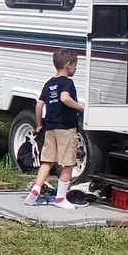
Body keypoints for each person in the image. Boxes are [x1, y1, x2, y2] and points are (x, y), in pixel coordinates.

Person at [27, 49, 83, 209]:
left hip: (50, 128)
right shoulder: (67, 83)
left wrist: (39, 124)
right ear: (68, 65)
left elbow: (39, 106)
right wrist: (79, 107)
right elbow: (64, 98)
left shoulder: (49, 83)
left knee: (47, 161)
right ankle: (60, 199)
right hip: (66, 128)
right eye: (75, 66)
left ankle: (36, 189)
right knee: (68, 163)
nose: (75, 69)